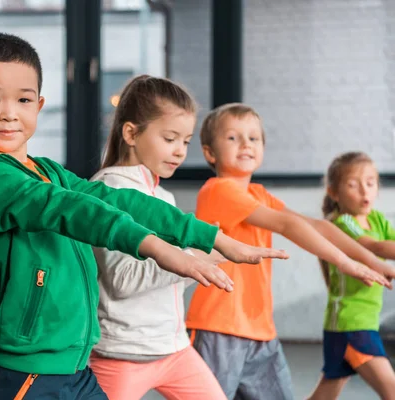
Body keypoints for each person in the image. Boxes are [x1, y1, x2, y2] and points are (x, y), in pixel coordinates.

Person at [0, 33, 288, 400]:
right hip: (22, 371)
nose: (10, 112)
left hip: (73, 368)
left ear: (39, 105)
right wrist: (160, 250)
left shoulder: (48, 171)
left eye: (23, 99)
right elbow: (67, 208)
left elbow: (118, 200)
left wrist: (212, 238)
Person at [185, 103, 394, 400]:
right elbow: (286, 224)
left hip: (261, 330)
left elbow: (315, 226)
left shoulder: (258, 194)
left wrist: (371, 261)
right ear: (209, 152)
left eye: (254, 138)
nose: (246, 144)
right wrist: (346, 263)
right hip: (219, 329)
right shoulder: (217, 190)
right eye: (233, 137)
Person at [88, 75, 227, 400]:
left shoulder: (164, 197)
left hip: (174, 349)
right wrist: (193, 260)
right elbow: (122, 281)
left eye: (186, 141)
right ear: (131, 133)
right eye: (170, 138)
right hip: (122, 353)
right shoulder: (111, 190)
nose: (179, 151)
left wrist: (202, 265)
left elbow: (171, 278)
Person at [306, 152, 395, 400]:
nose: (364, 191)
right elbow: (375, 247)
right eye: (353, 185)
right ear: (334, 192)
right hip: (352, 324)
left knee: (325, 395)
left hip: (360, 322)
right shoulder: (344, 222)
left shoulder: (376, 219)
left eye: (370, 182)